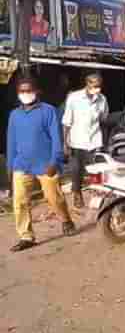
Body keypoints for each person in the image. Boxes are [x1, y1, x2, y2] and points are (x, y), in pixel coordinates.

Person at [8, 76, 77, 252]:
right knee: (20, 201)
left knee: (53, 197)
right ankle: (26, 236)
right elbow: (11, 141)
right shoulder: (14, 115)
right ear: (17, 93)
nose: (25, 94)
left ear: (37, 91)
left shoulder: (48, 111)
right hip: (21, 165)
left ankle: (66, 220)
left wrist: (55, 161)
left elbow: (56, 137)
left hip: (46, 164)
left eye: (28, 90)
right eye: (22, 91)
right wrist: (10, 166)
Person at [62, 73, 109, 208]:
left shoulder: (102, 99)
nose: (97, 88)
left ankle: (98, 196)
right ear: (87, 84)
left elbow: (103, 120)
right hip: (77, 140)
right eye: (95, 86)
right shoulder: (74, 98)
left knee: (97, 170)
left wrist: (104, 141)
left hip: (95, 141)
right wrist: (64, 143)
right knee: (77, 170)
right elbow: (66, 122)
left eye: (99, 86)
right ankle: (77, 193)